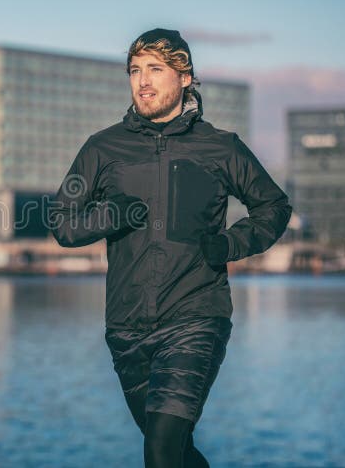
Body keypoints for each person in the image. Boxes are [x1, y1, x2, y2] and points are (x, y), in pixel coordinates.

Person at [49, 28, 292, 467]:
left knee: (160, 452)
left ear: (185, 78)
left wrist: (230, 244)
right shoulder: (101, 148)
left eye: (155, 69)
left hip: (196, 318)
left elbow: (273, 206)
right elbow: (62, 224)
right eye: (135, 70)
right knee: (176, 452)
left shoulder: (220, 147)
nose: (143, 80)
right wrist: (112, 215)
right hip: (125, 328)